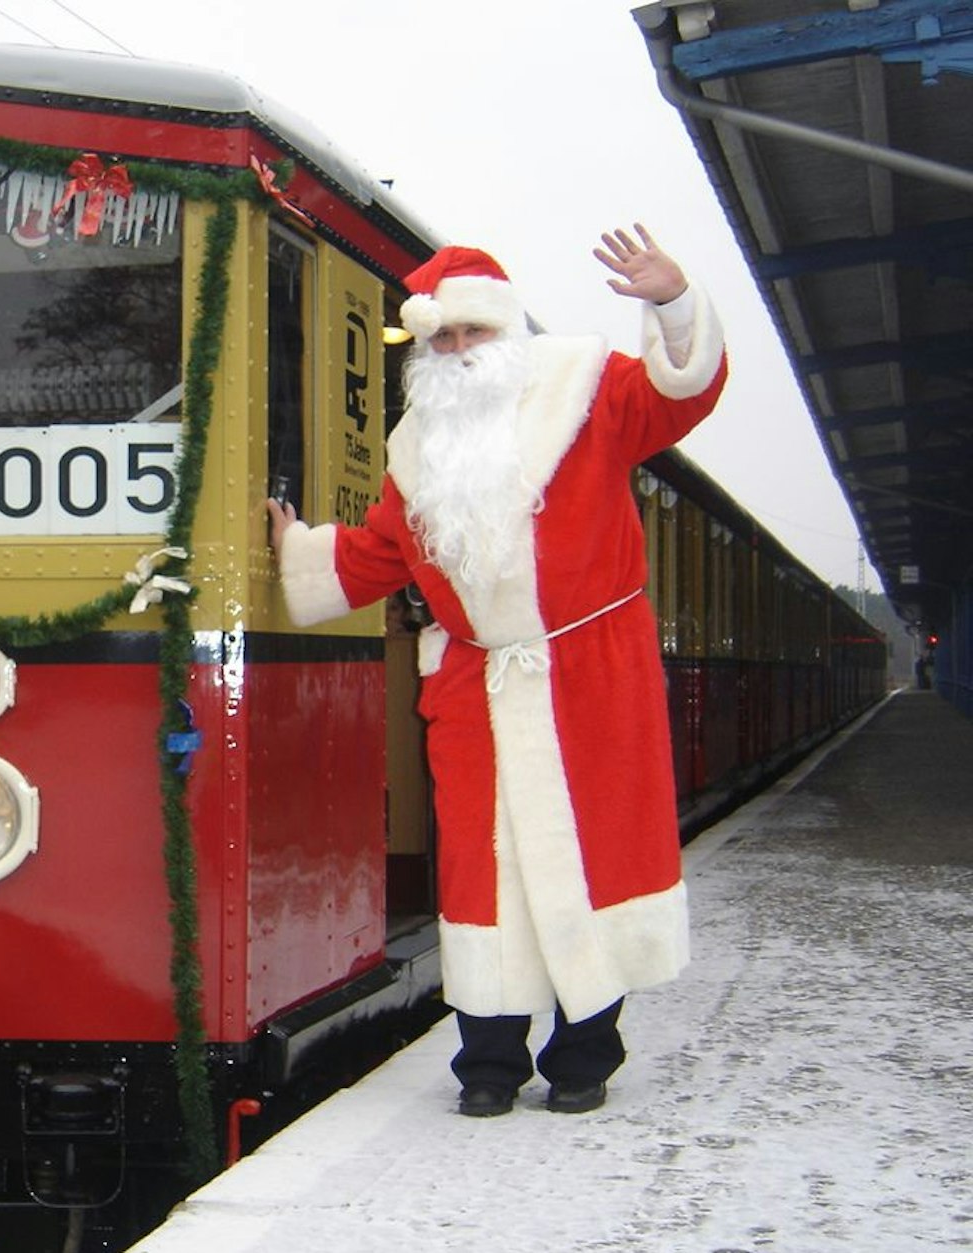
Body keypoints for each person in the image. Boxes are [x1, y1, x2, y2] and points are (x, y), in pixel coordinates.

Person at [266, 226, 727, 1117]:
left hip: (591, 673)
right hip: (476, 683)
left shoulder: (588, 392)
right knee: (483, 870)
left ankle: (586, 1053)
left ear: (507, 330)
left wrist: (670, 300)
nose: (457, 351)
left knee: (593, 855)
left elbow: (684, 394)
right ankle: (488, 1064)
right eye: (441, 339)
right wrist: (297, 548)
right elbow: (377, 554)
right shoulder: (417, 451)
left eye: (471, 332)